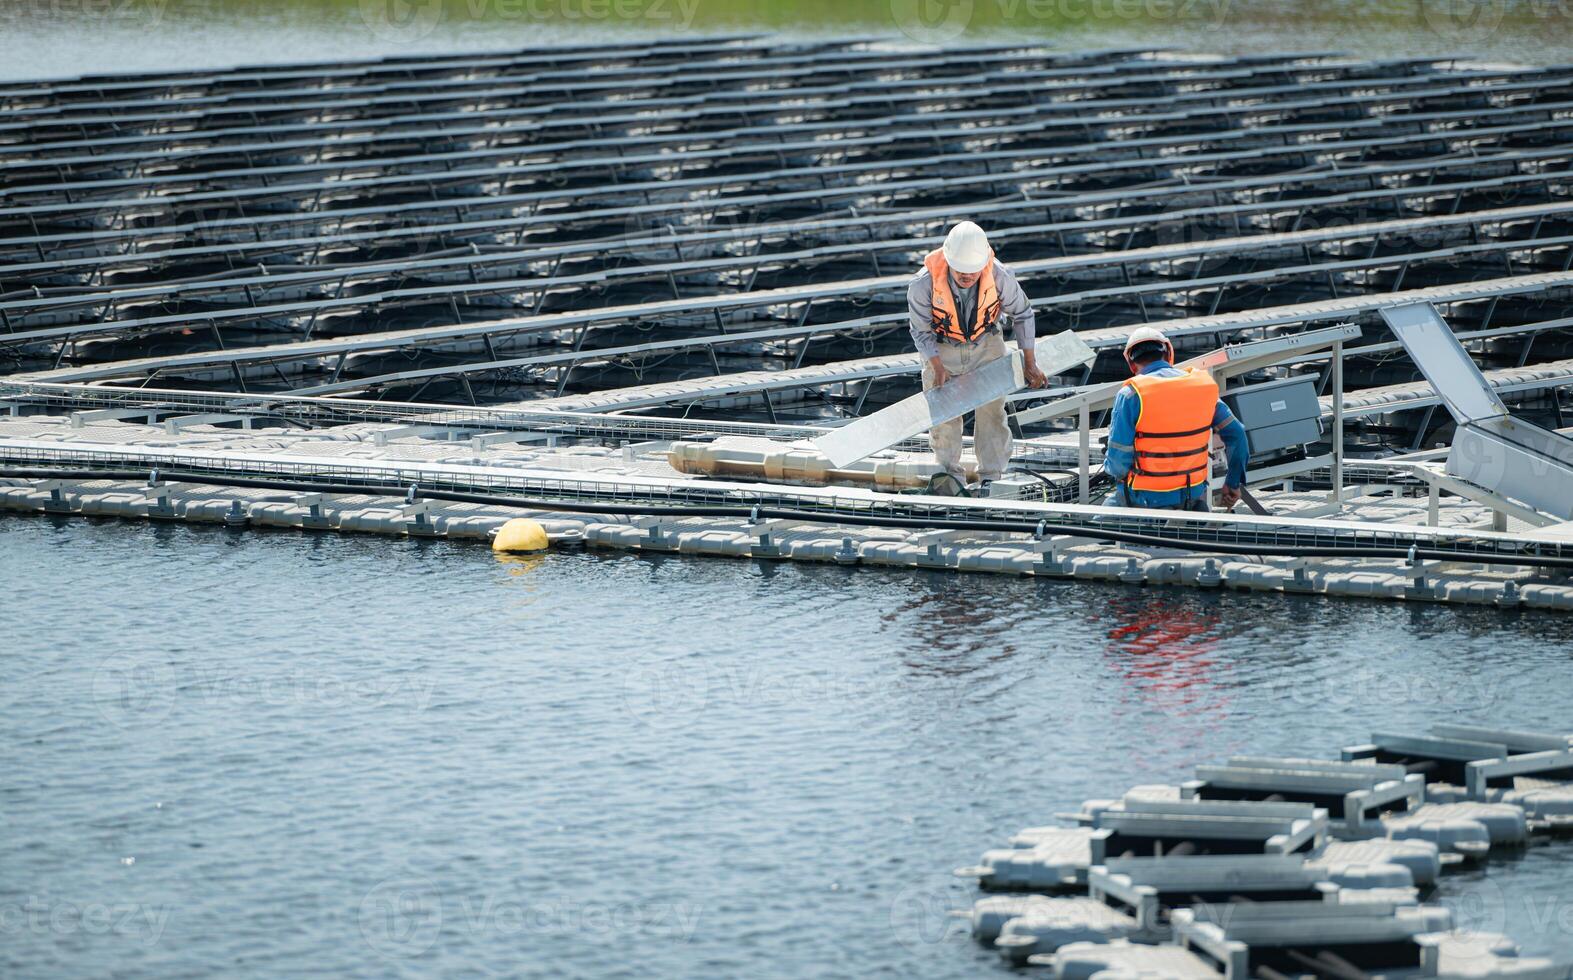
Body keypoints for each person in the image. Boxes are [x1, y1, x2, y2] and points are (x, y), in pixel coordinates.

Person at [907, 221, 1046, 489]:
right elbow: (921, 331)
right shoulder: (922, 284)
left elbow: (1023, 314)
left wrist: (1030, 363)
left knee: (992, 411)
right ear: (948, 260)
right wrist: (936, 365)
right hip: (942, 346)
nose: (967, 276)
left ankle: (991, 477)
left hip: (987, 342)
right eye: (961, 271)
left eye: (972, 271)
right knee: (943, 413)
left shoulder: (999, 275)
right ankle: (949, 477)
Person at [1102, 326, 1249, 511]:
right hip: (1193, 494)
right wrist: (1233, 482)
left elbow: (1117, 464)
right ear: (1168, 354)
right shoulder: (1202, 386)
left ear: (1131, 365)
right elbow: (1237, 434)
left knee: (1095, 525)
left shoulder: (1130, 395)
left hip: (1145, 498)